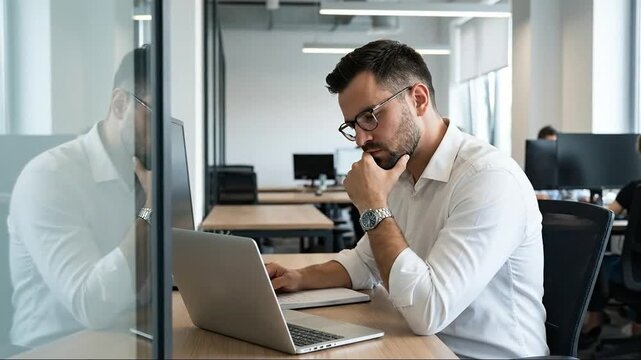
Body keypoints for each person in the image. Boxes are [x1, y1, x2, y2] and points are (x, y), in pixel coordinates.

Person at [266, 40, 548, 358]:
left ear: (418, 99)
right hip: (423, 347)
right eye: (352, 125)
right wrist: (298, 277)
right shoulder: (400, 170)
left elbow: (429, 311)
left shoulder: (488, 179)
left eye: (370, 116)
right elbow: (365, 261)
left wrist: (373, 205)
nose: (361, 138)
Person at [7, 45, 153, 348]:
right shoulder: (49, 177)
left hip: (124, 335)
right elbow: (93, 305)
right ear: (119, 104)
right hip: (52, 348)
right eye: (153, 115)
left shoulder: (140, 173)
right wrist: (151, 209)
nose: (162, 133)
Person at [580, 135, 641, 348]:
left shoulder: (635, 189)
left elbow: (606, 216)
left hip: (635, 273)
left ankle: (593, 320)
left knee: (596, 262)